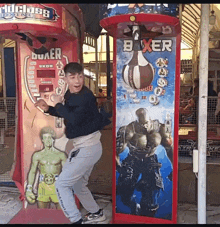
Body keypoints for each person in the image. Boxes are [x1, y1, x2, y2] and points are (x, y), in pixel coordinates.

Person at [34, 62, 111, 224]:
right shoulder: (70, 94)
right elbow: (68, 113)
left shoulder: (86, 96)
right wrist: (48, 109)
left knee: (61, 185)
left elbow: (74, 119)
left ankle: (76, 221)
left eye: (80, 76)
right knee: (78, 185)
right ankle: (97, 213)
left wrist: (58, 104)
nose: (77, 81)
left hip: (88, 148)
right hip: (85, 148)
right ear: (66, 78)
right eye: (73, 77)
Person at [116, 108, 173, 217]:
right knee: (124, 195)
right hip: (133, 159)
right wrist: (119, 167)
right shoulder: (128, 130)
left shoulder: (161, 128)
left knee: (151, 197)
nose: (145, 127)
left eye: (146, 123)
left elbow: (170, 148)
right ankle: (133, 206)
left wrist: (174, 168)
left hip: (150, 160)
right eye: (141, 124)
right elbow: (115, 151)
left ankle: (147, 217)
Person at [25, 126, 67, 209]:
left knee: (61, 215)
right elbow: (32, 171)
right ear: (42, 140)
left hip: (57, 186)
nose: (48, 140)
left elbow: (67, 172)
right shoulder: (37, 155)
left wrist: (67, 189)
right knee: (42, 214)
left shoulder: (61, 155)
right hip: (43, 187)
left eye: (50, 138)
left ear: (53, 139)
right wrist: (29, 189)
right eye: (46, 138)